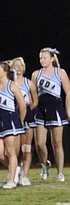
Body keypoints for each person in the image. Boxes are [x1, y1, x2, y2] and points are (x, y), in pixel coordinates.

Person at [0, 61, 26, 188]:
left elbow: (22, 105)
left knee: (11, 151)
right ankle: (15, 169)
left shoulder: (12, 86)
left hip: (11, 119)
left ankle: (11, 181)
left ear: (4, 71)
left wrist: (19, 120)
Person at [32, 47, 69, 182]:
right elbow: (34, 94)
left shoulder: (60, 72)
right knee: (40, 143)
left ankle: (60, 173)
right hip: (41, 109)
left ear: (52, 58)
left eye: (45, 57)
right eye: (40, 58)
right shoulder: (36, 74)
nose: (42, 60)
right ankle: (45, 164)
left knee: (57, 142)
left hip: (56, 108)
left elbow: (68, 93)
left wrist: (68, 110)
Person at [9, 57, 37, 185]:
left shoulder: (29, 83)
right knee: (14, 149)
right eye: (16, 66)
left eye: (20, 66)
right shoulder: (8, 82)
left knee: (27, 147)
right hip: (12, 116)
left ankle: (25, 175)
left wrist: (26, 110)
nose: (18, 68)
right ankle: (15, 170)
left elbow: (35, 100)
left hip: (27, 117)